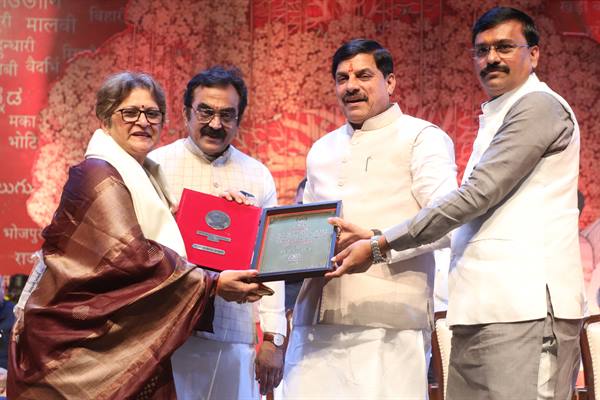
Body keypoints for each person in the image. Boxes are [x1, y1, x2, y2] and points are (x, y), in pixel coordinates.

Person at [330, 7, 584, 400]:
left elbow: (476, 196)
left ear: (533, 54)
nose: (491, 58)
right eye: (482, 50)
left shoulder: (539, 106)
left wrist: (381, 244)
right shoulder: (499, 113)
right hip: (480, 308)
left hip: (526, 308)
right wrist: (380, 238)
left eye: (504, 47)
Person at [7, 72, 264, 399]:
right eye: (129, 112)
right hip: (82, 347)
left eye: (152, 113)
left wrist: (224, 216)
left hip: (121, 339)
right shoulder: (97, 175)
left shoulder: (147, 176)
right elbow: (131, 256)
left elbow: (163, 241)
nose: (142, 121)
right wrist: (210, 284)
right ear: (105, 118)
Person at [282, 39, 457, 399]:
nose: (351, 86)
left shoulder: (421, 137)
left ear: (390, 82)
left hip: (389, 322)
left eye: (363, 75)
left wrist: (377, 243)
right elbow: (307, 231)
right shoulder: (322, 149)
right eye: (342, 78)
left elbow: (447, 222)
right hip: (315, 324)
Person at [148, 66, 286, 399]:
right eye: (205, 111)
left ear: (239, 119)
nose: (215, 123)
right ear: (186, 113)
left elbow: (271, 260)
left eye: (227, 115)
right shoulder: (156, 165)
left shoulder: (258, 175)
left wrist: (273, 338)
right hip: (167, 330)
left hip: (233, 333)